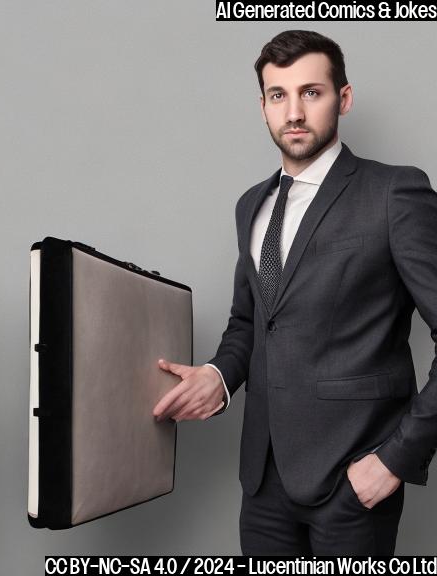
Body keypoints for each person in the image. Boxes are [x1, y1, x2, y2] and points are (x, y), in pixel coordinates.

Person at [153, 30, 437, 555]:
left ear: (343, 98)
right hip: (263, 480)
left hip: (354, 480)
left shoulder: (395, 192)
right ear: (262, 106)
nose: (294, 112)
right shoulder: (251, 206)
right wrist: (218, 376)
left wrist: (396, 460)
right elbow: (250, 322)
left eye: (312, 92)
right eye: (278, 95)